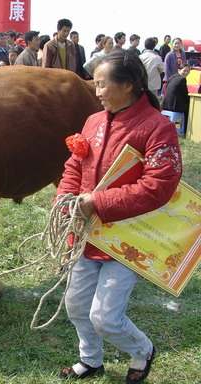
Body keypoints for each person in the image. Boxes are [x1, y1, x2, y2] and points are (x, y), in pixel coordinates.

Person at [57, 49, 182, 384]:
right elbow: (74, 165)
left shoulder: (158, 128)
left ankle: (142, 351)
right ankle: (91, 360)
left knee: (105, 318)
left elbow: (159, 186)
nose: (97, 92)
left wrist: (98, 202)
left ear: (128, 85)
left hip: (127, 238)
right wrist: (65, 199)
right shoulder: (94, 121)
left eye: (102, 85)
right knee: (77, 306)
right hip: (85, 234)